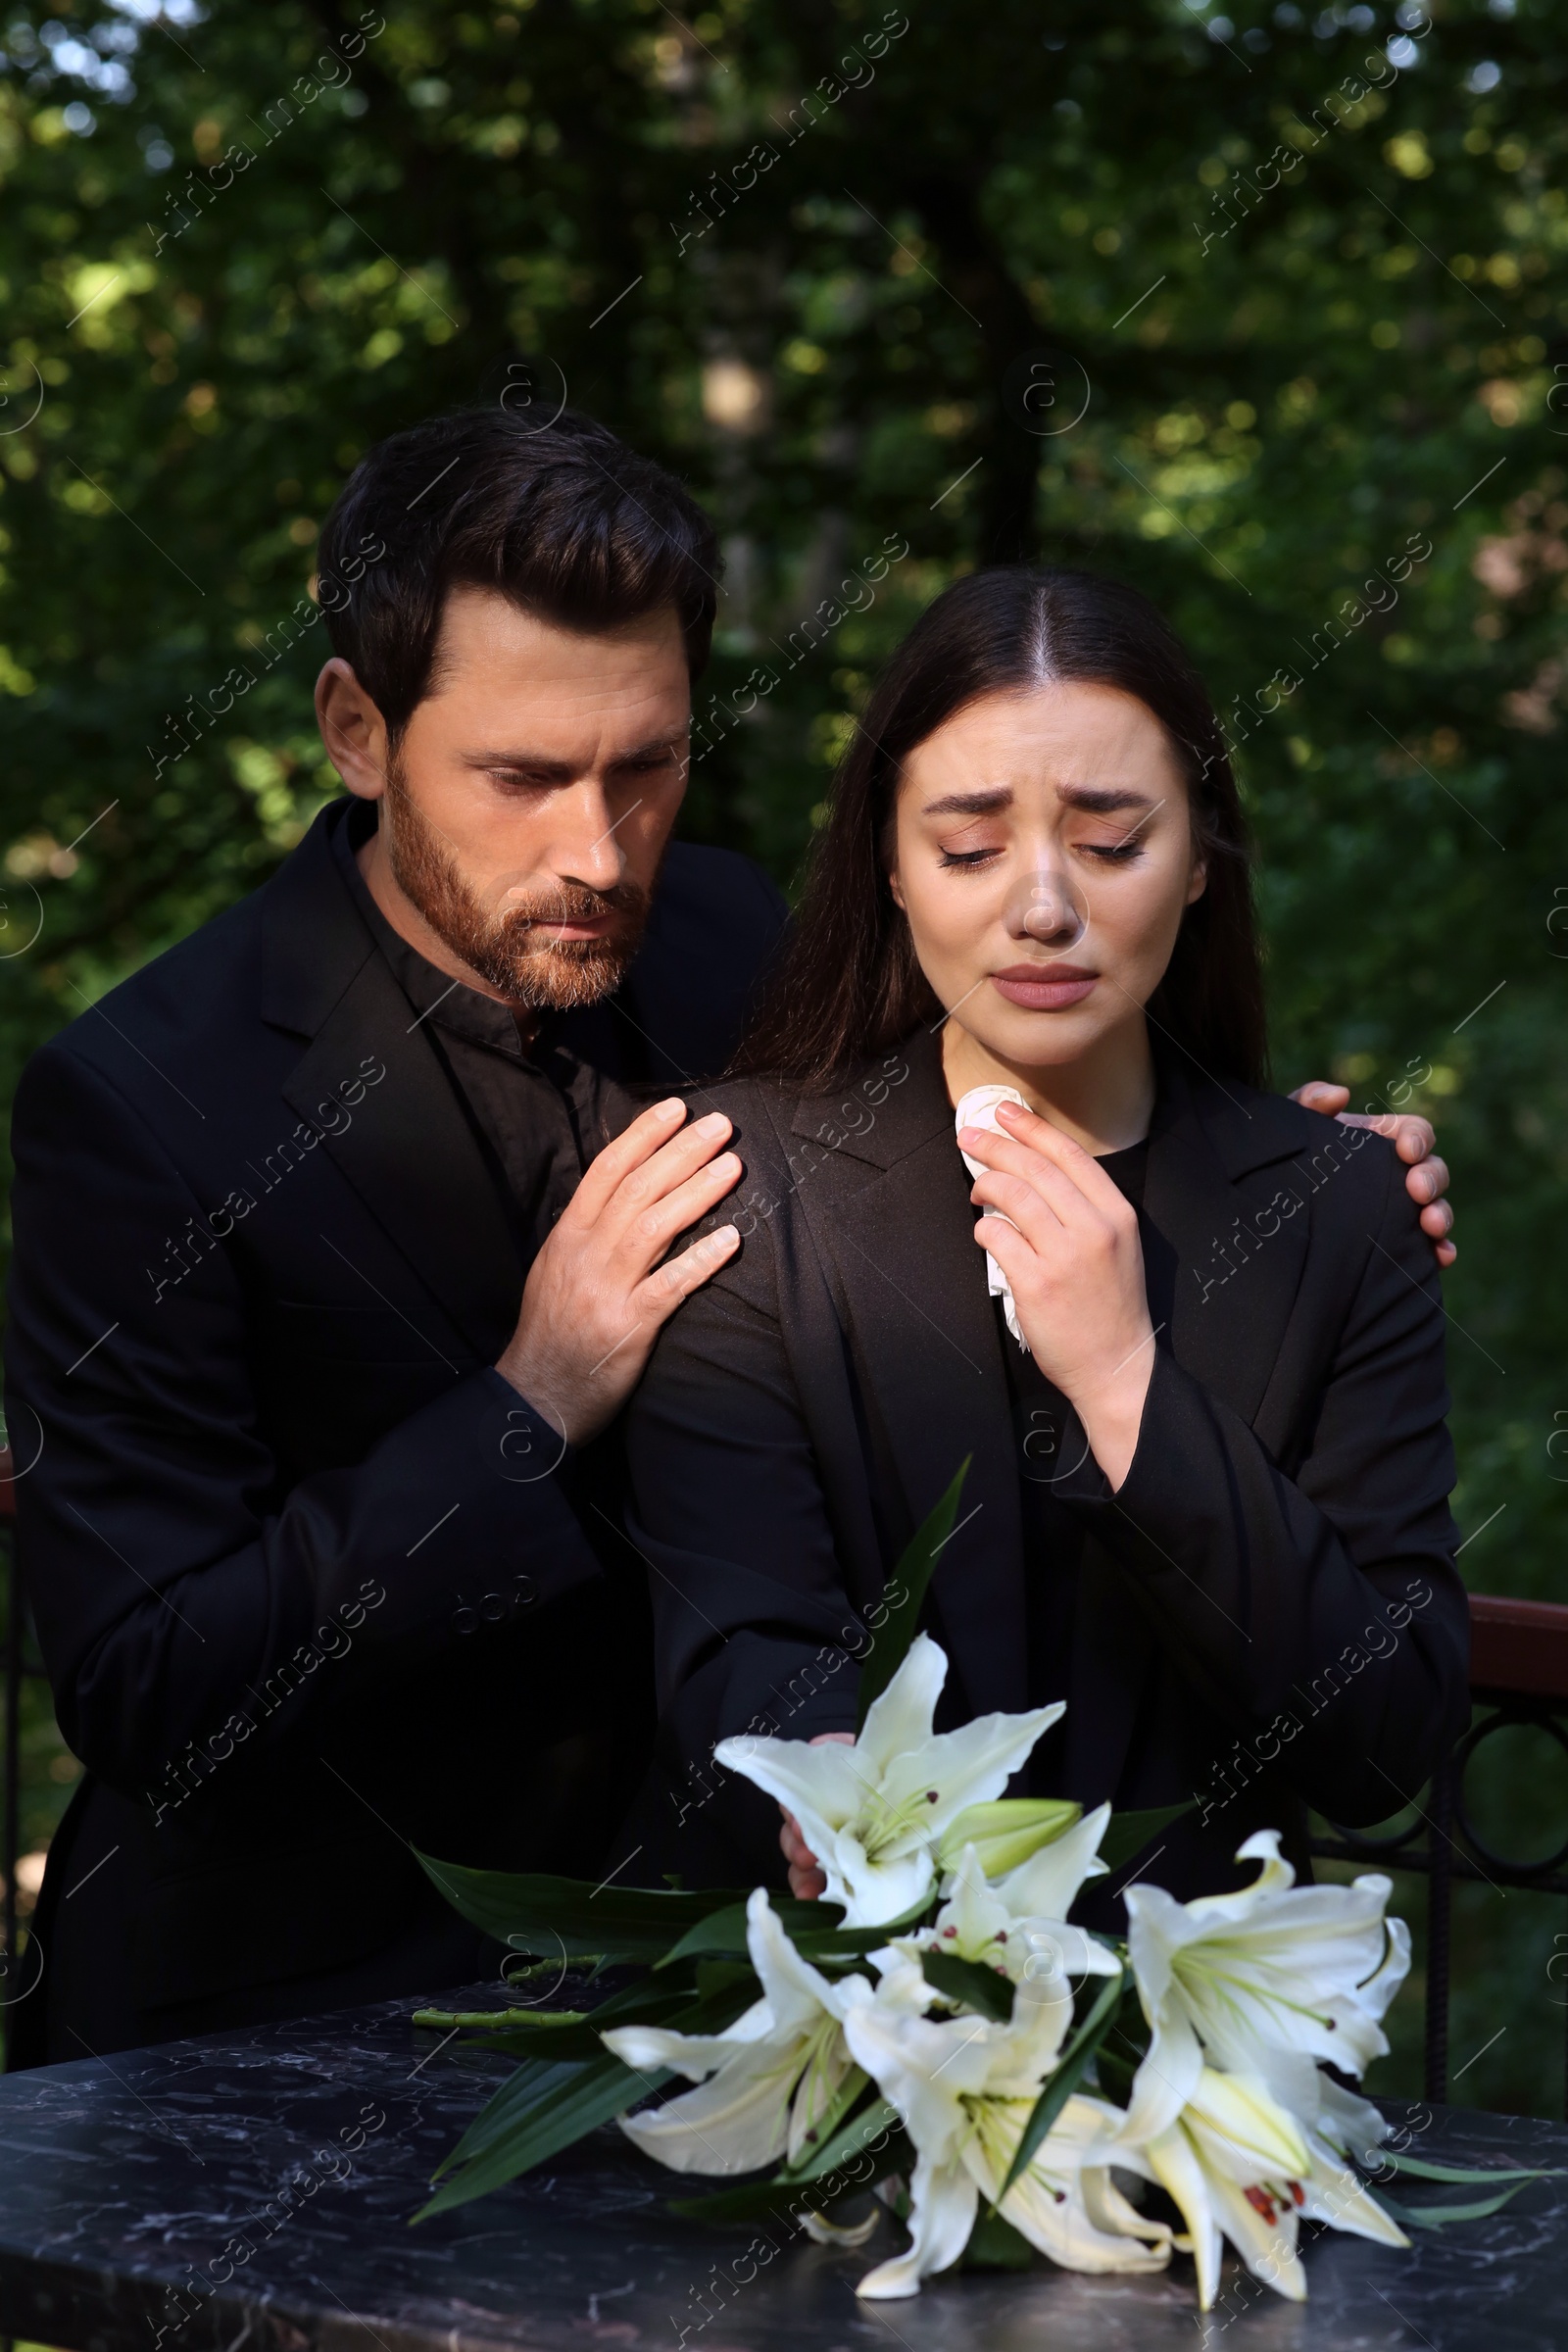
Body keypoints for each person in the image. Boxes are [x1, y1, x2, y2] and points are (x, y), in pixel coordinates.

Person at [4, 406, 767, 2061]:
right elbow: (149, 1687)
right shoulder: (141, 1100)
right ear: (358, 729)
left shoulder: (734, 937)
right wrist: (529, 1403)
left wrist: (1279, 1188)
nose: (600, 849)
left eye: (649, 764)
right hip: (282, 2032)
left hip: (712, 2003)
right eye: (521, 777)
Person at [622, 565, 1470, 1912]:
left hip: (1209, 2071)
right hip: (862, 2032)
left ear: (1199, 860)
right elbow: (741, 1627)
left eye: (1112, 842)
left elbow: (1384, 1744)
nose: (1040, 908)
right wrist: (818, 1779)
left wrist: (1128, 1387)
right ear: (889, 868)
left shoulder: (1342, 1204)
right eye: (966, 848)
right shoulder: (749, 1192)